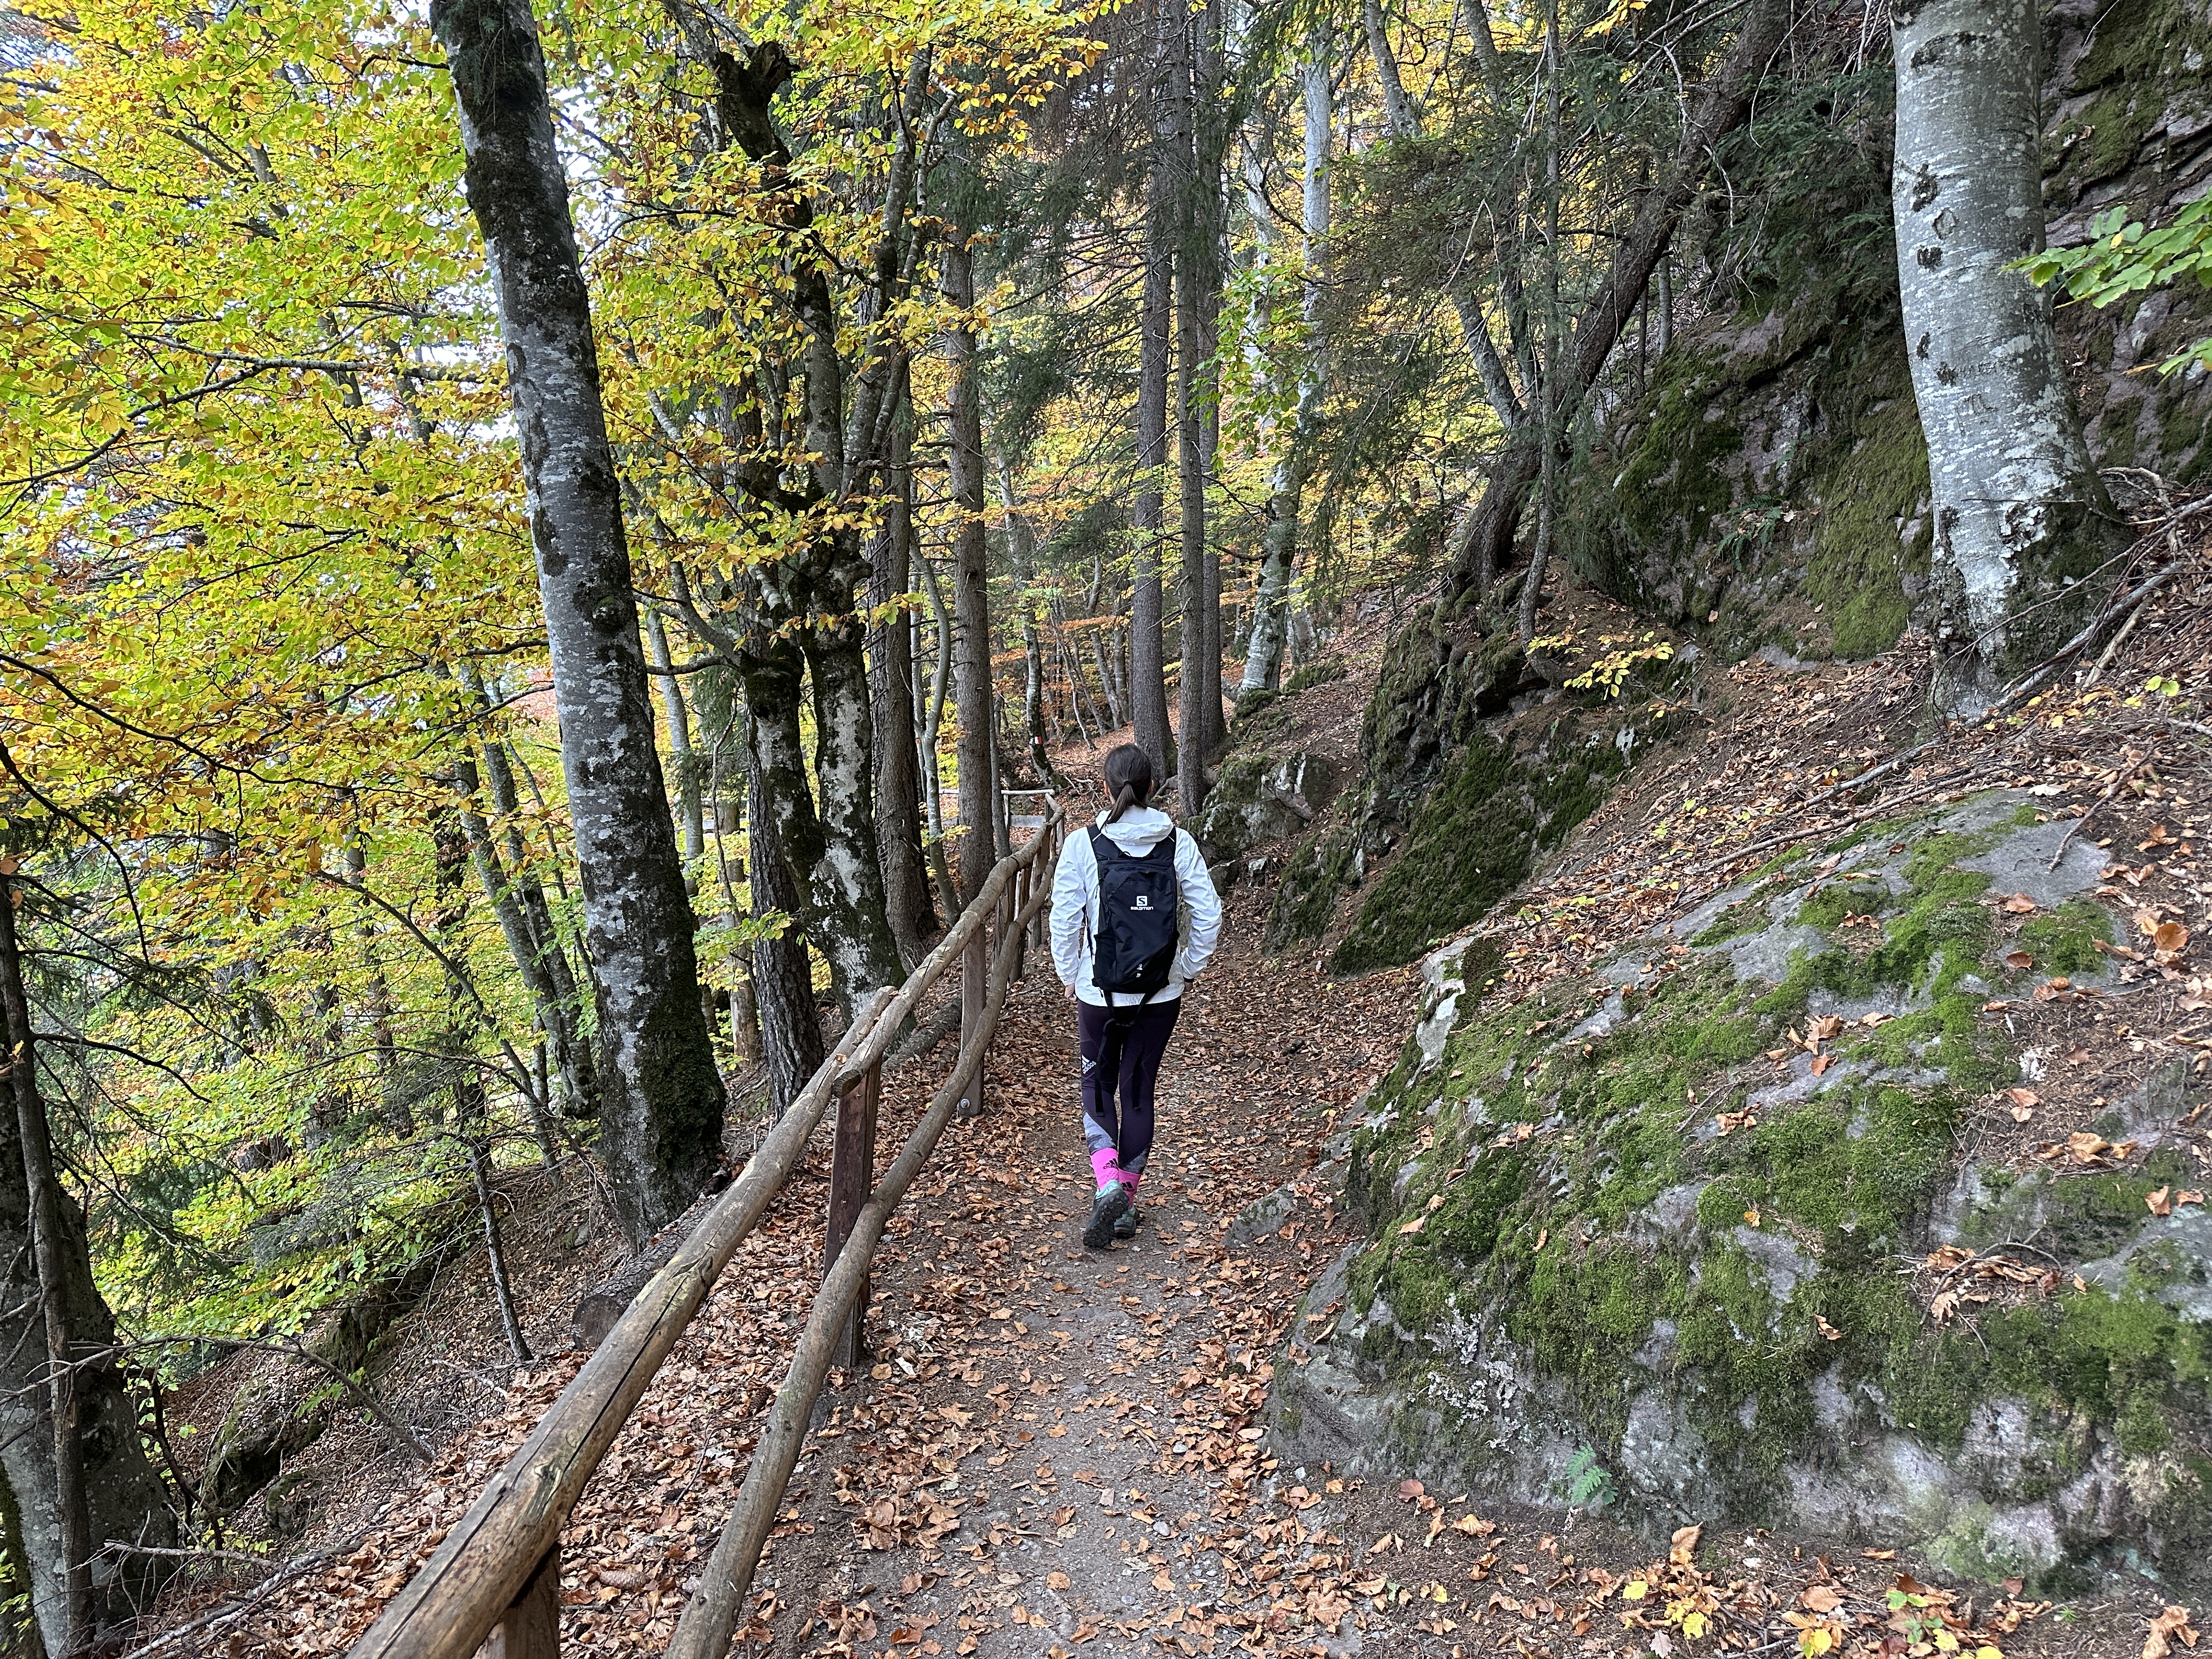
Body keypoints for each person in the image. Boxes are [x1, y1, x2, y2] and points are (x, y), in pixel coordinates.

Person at [1049, 743, 1223, 1249]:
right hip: (1159, 993)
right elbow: (1209, 917)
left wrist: (1069, 974)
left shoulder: (1084, 845)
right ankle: (1124, 1199)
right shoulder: (1178, 842)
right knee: (1138, 1090)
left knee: (1097, 1085)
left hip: (1098, 992)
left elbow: (1064, 918)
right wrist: (1186, 969)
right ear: (1152, 788)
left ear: (1106, 787)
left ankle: (1107, 1186)